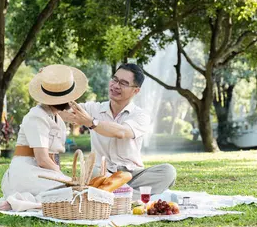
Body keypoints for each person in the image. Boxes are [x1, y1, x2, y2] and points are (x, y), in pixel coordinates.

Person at [60, 63, 176, 200]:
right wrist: (49, 84)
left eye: (123, 83)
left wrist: (91, 122)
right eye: (114, 79)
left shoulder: (140, 115)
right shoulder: (93, 109)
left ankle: (111, 195)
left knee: (168, 172)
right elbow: (62, 111)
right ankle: (131, 195)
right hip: (102, 173)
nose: (115, 85)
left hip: (131, 174)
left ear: (136, 91)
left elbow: (121, 132)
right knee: (92, 171)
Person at [0, 64, 88, 199]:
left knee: (77, 191)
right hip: (27, 172)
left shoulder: (55, 116)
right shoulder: (37, 116)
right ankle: (20, 200)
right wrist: (62, 177)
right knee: (70, 193)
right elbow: (42, 159)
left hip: (44, 172)